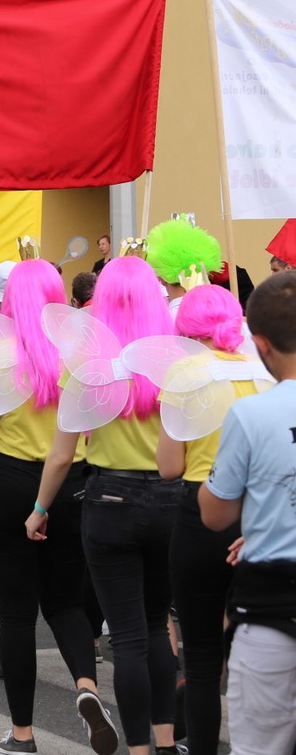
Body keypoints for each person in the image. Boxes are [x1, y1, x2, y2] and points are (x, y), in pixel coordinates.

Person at [26, 255, 180, 754]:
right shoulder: (177, 360)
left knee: (129, 636)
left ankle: (137, 749)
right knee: (158, 626)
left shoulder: (90, 366)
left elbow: (61, 454)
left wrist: (40, 509)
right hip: (169, 502)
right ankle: (165, 739)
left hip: (109, 500)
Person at [0, 259, 115, 753]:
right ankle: (87, 688)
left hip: (10, 481)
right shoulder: (79, 352)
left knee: (20, 614)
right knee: (67, 601)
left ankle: (23, 734)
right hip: (71, 482)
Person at [157, 284, 265, 755]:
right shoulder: (264, 372)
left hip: (200, 511)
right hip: (263, 515)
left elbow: (169, 467)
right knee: (263, 651)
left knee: (198, 661)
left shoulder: (184, 373)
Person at [199, 269, 296, 755]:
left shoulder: (252, 413)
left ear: (259, 344)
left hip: (272, 608)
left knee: (260, 746)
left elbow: (215, 515)